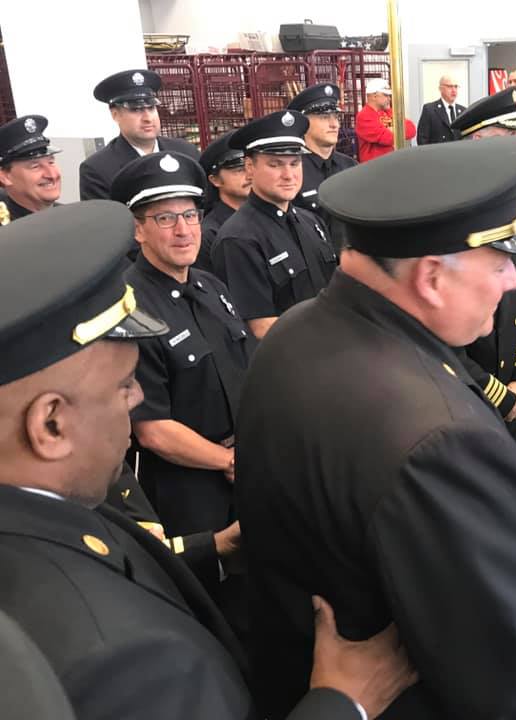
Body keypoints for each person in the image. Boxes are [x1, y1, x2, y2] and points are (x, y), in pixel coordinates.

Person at [0, 202, 417, 719]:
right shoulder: (118, 655)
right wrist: (345, 700)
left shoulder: (53, 506)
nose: (136, 401)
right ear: (51, 425)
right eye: (124, 387)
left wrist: (218, 549)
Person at [235, 137, 516, 719]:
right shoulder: (442, 437)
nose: (513, 282)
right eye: (500, 263)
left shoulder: (295, 332)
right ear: (431, 279)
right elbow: (511, 684)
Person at [110, 151, 255, 638]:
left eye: (190, 215)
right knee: (215, 615)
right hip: (190, 489)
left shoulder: (212, 287)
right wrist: (227, 461)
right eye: (165, 218)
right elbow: (152, 430)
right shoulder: (129, 307)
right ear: (138, 229)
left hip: (245, 468)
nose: (183, 230)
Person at [449, 88, 516, 509]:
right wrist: (499, 392)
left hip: (512, 365)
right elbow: (443, 341)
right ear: (476, 141)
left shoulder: (514, 198)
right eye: (505, 133)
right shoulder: (453, 211)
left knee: (513, 484)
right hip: (470, 388)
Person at [210, 110, 338, 338]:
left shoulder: (311, 221)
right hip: (289, 361)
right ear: (250, 167)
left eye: (295, 162)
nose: (288, 174)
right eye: (275, 164)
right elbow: (260, 327)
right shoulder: (239, 238)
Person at [79, 69, 199, 200]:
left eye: (151, 108)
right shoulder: (98, 169)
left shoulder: (186, 152)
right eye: (136, 109)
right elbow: (105, 219)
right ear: (115, 114)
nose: (148, 118)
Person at [287, 82, 358, 251]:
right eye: (324, 117)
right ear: (304, 123)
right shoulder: (292, 172)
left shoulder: (350, 167)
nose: (334, 124)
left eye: (335, 116)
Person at [196, 130, 250, 273]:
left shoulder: (264, 216)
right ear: (215, 180)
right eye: (239, 170)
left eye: (250, 167)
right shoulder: (210, 234)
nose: (248, 176)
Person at [0, 115, 61, 223]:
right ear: (4, 177)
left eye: (51, 162)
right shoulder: (5, 232)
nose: (51, 175)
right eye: (35, 166)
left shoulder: (70, 217)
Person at [354, 79, 415, 163]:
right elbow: (387, 138)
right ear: (374, 96)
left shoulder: (388, 111)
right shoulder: (364, 116)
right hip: (374, 168)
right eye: (386, 95)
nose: (389, 98)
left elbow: (412, 129)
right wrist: (396, 129)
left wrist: (390, 130)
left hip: (392, 163)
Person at [416, 75, 466, 145]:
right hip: (437, 154)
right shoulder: (430, 110)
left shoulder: (463, 111)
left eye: (456, 87)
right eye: (450, 86)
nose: (454, 90)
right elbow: (422, 139)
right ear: (440, 89)